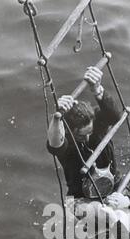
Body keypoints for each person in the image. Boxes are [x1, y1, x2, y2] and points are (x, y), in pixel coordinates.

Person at [47, 66, 121, 199]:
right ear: (70, 131)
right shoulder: (65, 139)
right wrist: (57, 117)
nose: (87, 138)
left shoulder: (97, 121)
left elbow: (115, 117)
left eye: (90, 132)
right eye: (81, 135)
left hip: (113, 185)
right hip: (81, 197)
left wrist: (97, 90)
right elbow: (55, 146)